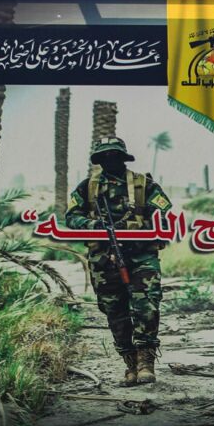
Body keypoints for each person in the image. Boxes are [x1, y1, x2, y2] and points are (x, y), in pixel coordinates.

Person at [65, 136, 174, 386]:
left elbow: (163, 212)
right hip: (103, 259)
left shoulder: (144, 184)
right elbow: (71, 217)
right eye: (105, 156)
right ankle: (130, 363)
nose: (109, 160)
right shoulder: (87, 187)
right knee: (114, 311)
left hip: (141, 255)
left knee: (147, 306)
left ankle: (146, 361)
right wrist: (95, 225)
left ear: (123, 157)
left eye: (114, 155)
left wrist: (136, 228)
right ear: (99, 159)